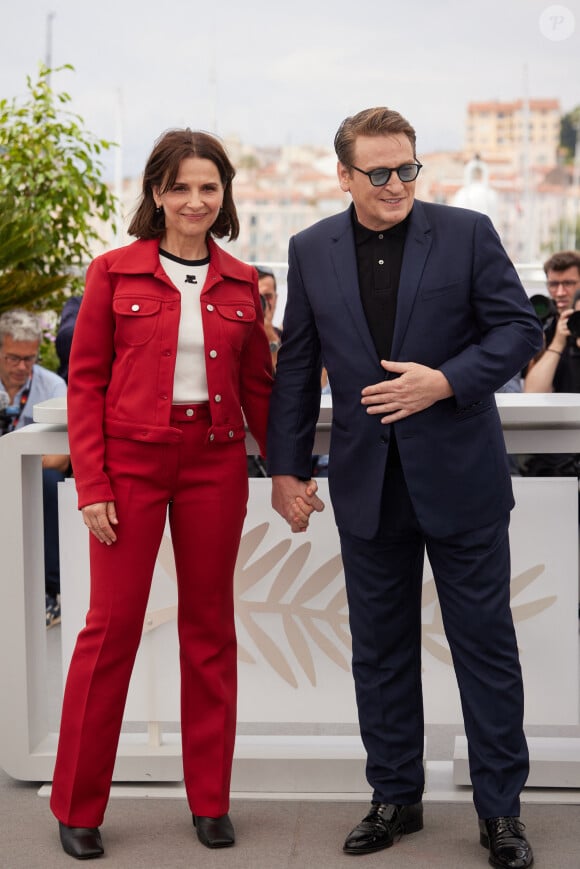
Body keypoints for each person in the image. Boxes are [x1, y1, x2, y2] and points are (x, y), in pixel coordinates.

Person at [267, 108, 542, 868]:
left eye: (409, 169)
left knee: (485, 649)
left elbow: (520, 330)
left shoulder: (467, 234)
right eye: (380, 172)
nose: (397, 184)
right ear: (344, 175)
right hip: (365, 481)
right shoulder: (310, 249)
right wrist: (285, 469)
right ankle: (395, 797)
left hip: (462, 480)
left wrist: (445, 381)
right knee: (380, 652)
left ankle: (501, 813)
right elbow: (296, 368)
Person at [49, 129, 273, 860]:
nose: (194, 201)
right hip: (130, 466)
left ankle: (210, 800)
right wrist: (92, 483)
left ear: (224, 195)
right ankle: (77, 805)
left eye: (208, 187)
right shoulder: (113, 272)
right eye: (180, 187)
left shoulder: (241, 281)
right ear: (155, 194)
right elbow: (84, 381)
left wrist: (293, 467)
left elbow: (259, 392)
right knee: (109, 629)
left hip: (214, 465)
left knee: (210, 630)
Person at [0, 309, 69, 627]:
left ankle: (50, 591)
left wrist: (19, 462)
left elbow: (64, 455)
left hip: (34, 475)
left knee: (49, 482)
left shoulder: (53, 387)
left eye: (29, 359)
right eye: (13, 358)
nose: (22, 368)